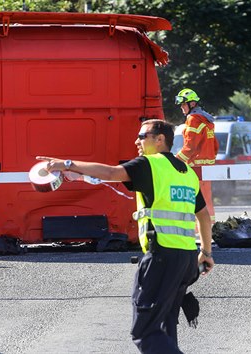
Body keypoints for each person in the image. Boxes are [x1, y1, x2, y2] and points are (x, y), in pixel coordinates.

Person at [38, 119, 214, 353]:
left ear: (159, 139)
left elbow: (111, 172)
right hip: (185, 260)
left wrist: (66, 163)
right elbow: (203, 216)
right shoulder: (186, 173)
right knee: (164, 327)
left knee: (145, 331)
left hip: (160, 256)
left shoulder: (150, 164)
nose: (137, 141)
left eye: (142, 136)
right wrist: (205, 252)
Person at [174, 89, 219, 221]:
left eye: (183, 104)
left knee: (196, 200)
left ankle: (199, 230)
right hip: (207, 167)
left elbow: (190, 147)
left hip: (196, 167)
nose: (182, 107)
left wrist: (174, 160)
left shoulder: (193, 119)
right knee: (206, 199)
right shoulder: (207, 119)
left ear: (192, 104)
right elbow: (215, 145)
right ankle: (208, 228)